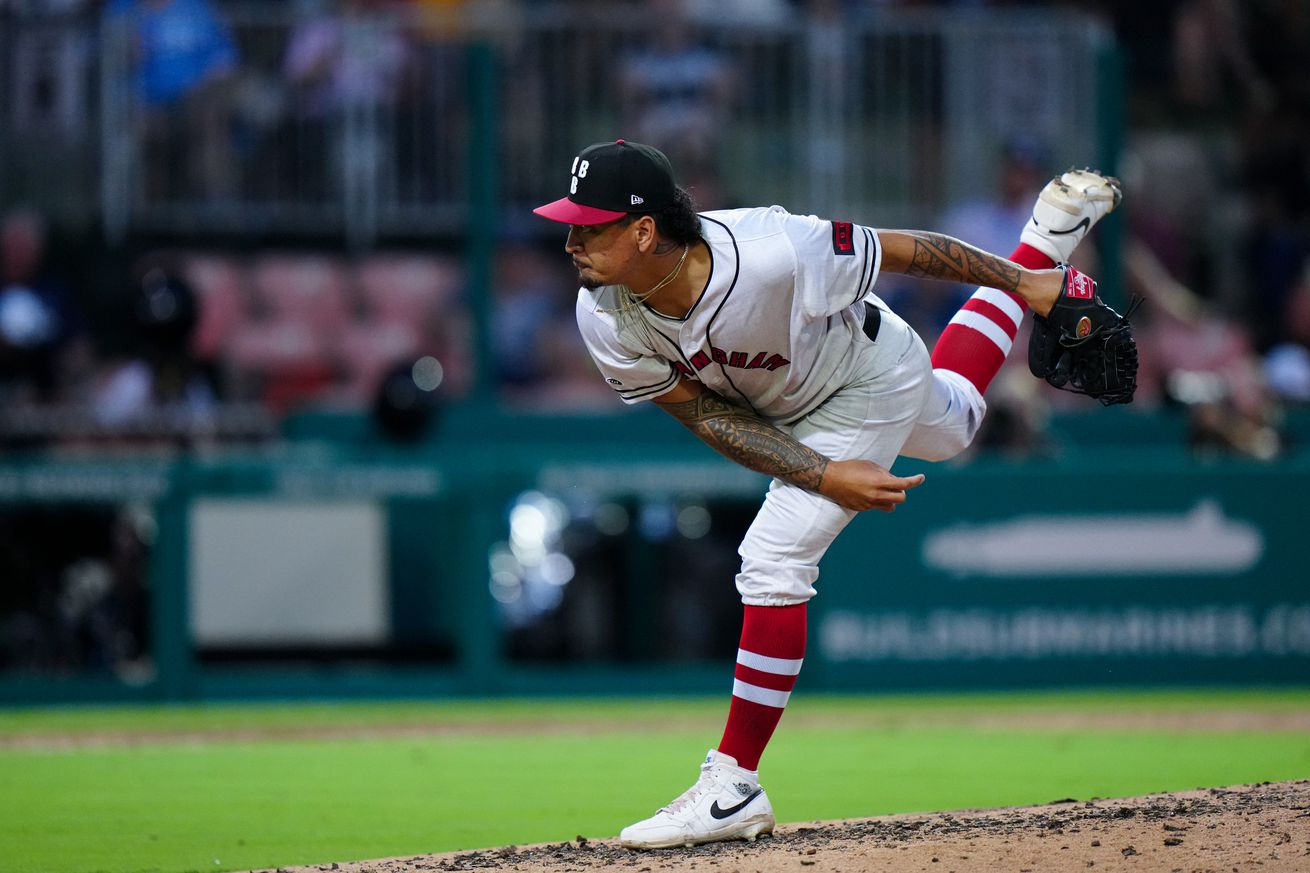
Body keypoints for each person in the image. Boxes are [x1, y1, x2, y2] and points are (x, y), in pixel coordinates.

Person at [532, 139, 1122, 849]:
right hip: (796, 409)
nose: (569, 241)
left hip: (868, 375)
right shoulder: (603, 315)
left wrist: (1024, 289)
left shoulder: (773, 249)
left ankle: (732, 785)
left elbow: (906, 250)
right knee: (960, 419)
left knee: (773, 559)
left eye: (587, 226)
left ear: (644, 231)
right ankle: (1047, 236)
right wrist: (819, 470)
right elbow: (707, 414)